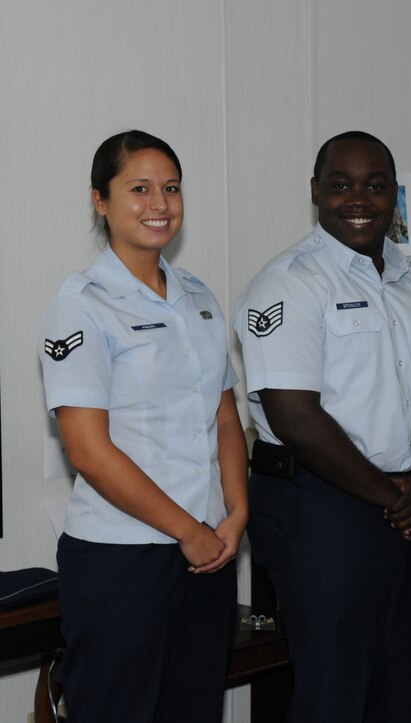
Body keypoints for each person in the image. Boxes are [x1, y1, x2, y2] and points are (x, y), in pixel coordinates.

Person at [234, 131, 411, 722]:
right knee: (335, 692)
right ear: (315, 191)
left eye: (375, 186)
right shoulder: (288, 282)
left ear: (394, 196)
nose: (359, 199)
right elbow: (294, 418)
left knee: (410, 688)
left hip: (409, 504)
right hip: (322, 507)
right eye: (341, 185)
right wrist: (397, 497)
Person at [38, 130, 247, 722]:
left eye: (171, 188)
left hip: (208, 550)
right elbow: (88, 451)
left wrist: (237, 512)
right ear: (100, 201)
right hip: (122, 558)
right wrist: (188, 529)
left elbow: (225, 417)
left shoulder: (198, 297)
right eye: (139, 189)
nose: (160, 204)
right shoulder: (81, 305)